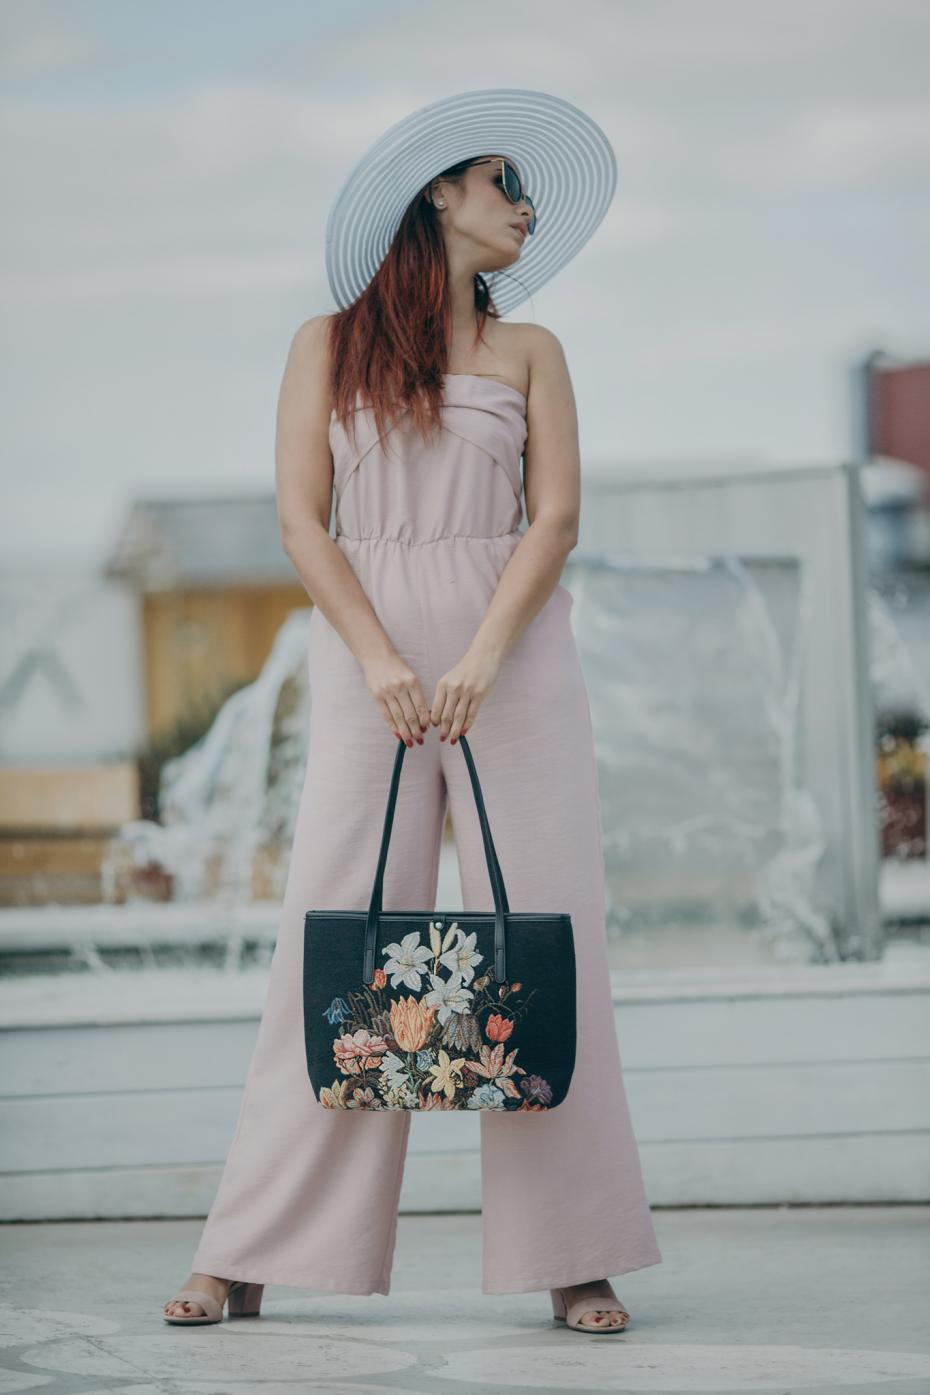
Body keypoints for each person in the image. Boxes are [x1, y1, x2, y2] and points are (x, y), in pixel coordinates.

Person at [163, 87, 662, 1336]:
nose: (524, 207)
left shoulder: (533, 351)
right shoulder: (324, 345)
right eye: (504, 182)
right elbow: (302, 523)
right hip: (367, 663)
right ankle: (250, 1249)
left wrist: (486, 656)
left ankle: (575, 1250)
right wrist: (383, 658)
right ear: (439, 191)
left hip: (519, 662)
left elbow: (555, 521)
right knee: (331, 946)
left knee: (545, 941)